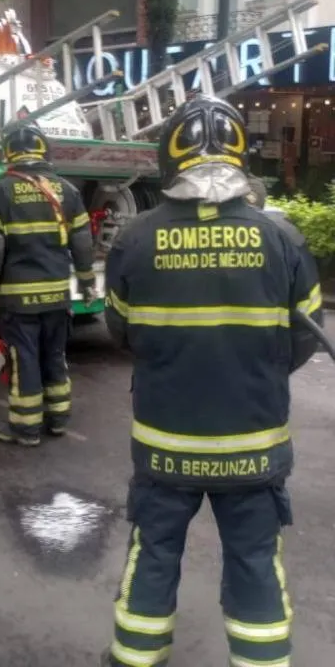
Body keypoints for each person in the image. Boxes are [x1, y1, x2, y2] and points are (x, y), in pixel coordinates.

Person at [101, 95, 323, 667]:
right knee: (254, 564)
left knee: (152, 557)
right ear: (240, 157)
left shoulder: (135, 239)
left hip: (164, 448)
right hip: (253, 447)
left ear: (169, 158)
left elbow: (122, 332)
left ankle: (134, 658)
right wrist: (255, 369)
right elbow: (304, 339)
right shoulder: (283, 240)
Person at [0, 120, 96, 446]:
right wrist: (86, 283)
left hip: (18, 298)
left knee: (25, 359)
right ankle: (57, 420)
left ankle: (25, 428)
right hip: (58, 295)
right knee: (55, 355)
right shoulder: (67, 190)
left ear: (9, 150)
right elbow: (83, 243)